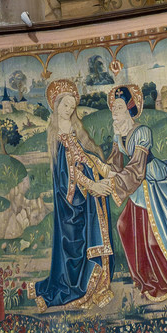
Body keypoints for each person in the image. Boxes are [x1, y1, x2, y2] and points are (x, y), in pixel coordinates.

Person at [101, 85, 167, 299]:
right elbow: (117, 162)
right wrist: (104, 170)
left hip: (154, 181)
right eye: (113, 108)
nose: (114, 113)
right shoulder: (118, 133)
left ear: (130, 109)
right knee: (124, 226)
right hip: (138, 183)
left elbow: (138, 166)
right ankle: (148, 279)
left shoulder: (142, 131)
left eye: (119, 107)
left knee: (155, 237)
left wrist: (114, 180)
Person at [33, 78, 113, 308]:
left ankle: (95, 286)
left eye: (72, 106)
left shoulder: (76, 132)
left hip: (85, 198)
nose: (69, 110)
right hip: (71, 201)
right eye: (65, 105)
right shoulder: (57, 137)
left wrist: (102, 168)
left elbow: (85, 156)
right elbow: (67, 174)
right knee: (73, 244)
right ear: (56, 106)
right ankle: (74, 289)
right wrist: (92, 185)